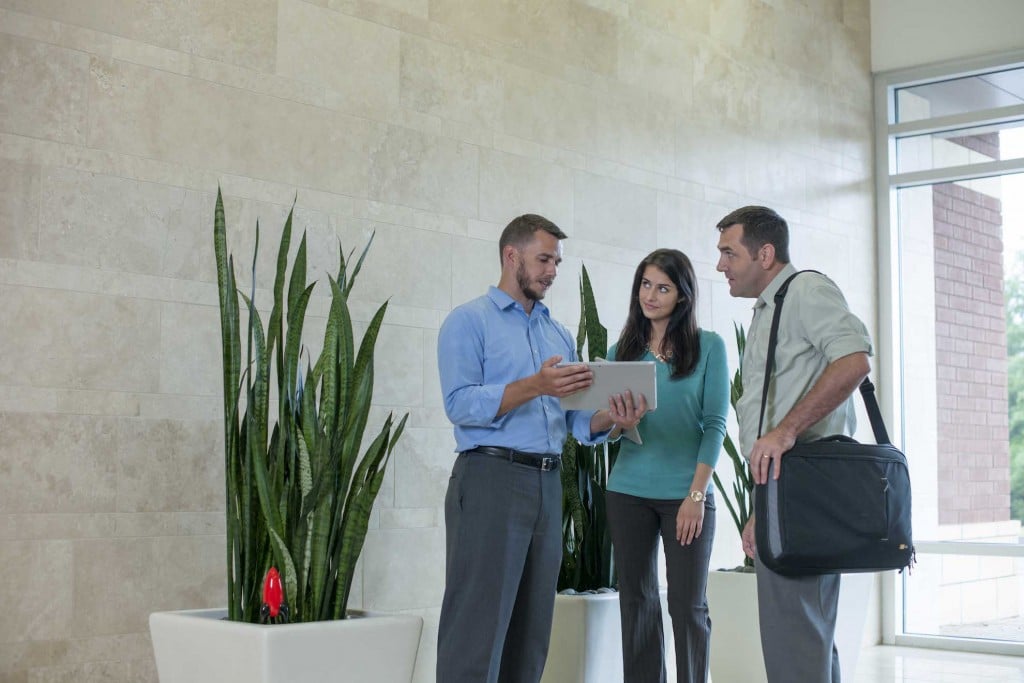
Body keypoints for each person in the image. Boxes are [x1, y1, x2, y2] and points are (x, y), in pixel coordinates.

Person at [436, 213, 648, 683]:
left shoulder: (558, 334)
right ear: (512, 257)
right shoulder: (469, 321)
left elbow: (575, 420)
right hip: (490, 480)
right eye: (544, 259)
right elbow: (460, 404)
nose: (552, 270)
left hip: (548, 486)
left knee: (531, 633)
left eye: (557, 261)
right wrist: (534, 385)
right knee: (477, 629)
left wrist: (614, 417)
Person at [715, 206, 872, 683]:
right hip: (786, 488)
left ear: (765, 254)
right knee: (803, 639)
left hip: (805, 486)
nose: (721, 265)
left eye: (729, 252)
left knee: (796, 639)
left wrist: (785, 432)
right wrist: (764, 505)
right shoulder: (768, 309)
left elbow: (854, 361)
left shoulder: (805, 290)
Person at [605, 248, 729, 683]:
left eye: (663, 287)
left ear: (682, 295)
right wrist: (620, 424)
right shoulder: (620, 352)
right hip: (628, 490)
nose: (651, 295)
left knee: (687, 605)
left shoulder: (710, 347)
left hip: (686, 494)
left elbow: (715, 425)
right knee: (636, 602)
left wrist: (696, 495)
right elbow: (602, 428)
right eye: (645, 284)